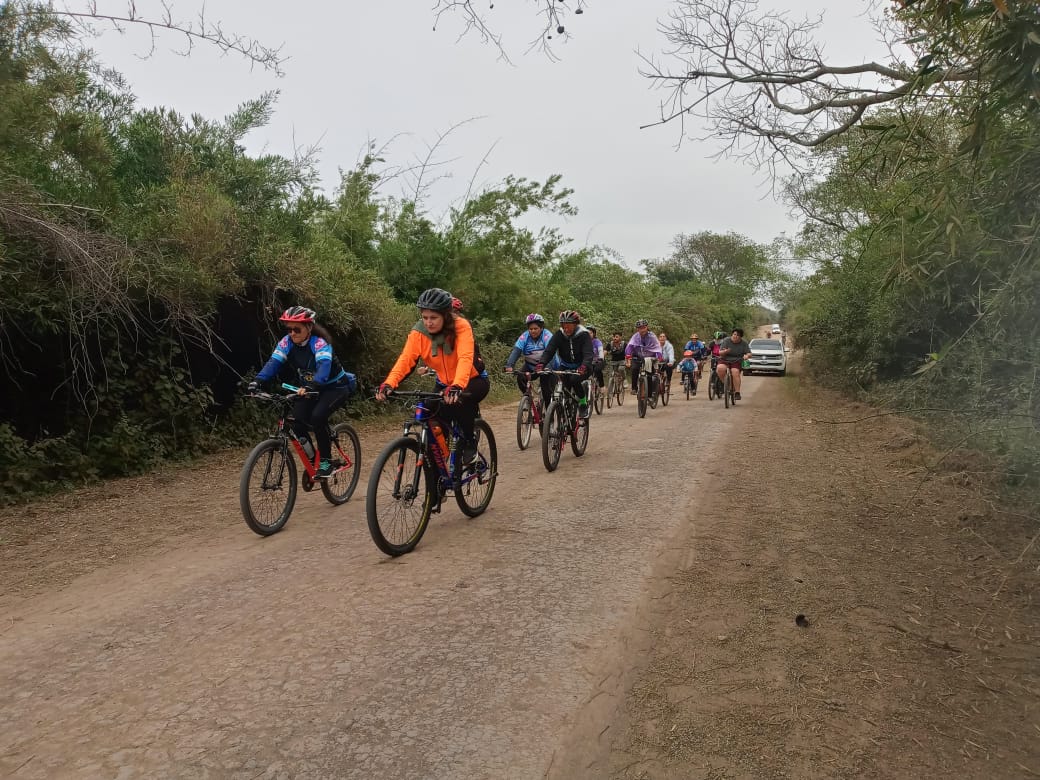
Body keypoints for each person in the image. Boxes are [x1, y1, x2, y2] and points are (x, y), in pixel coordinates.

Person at [376, 288, 490, 463]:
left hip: (473, 380)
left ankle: (469, 443)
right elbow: (406, 359)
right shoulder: (418, 333)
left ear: (445, 315)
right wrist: (389, 383)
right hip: (444, 383)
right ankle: (440, 461)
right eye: (425, 317)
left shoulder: (461, 326)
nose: (428, 323)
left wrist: (458, 385)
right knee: (428, 411)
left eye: (434, 318)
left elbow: (465, 358)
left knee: (459, 403)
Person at [249, 306, 356, 479]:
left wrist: (312, 386)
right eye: (289, 329)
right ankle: (314, 459)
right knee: (295, 421)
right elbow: (273, 363)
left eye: (296, 329)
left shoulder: (320, 343)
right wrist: (257, 381)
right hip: (309, 388)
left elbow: (323, 368)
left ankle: (326, 462)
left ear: (309, 327)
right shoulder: (287, 342)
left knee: (317, 417)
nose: (292, 333)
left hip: (334, 388)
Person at [535, 310, 595, 419]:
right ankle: (566, 408)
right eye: (563, 325)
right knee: (562, 384)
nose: (566, 328)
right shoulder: (559, 334)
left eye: (569, 325)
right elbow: (549, 350)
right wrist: (541, 363)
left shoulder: (584, 334)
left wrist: (584, 366)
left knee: (574, 380)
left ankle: (583, 403)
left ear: (575, 325)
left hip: (583, 366)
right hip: (565, 366)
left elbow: (588, 353)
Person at [504, 313, 554, 411]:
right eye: (530, 329)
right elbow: (516, 351)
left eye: (535, 328)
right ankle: (527, 398)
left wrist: (546, 366)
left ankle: (549, 418)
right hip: (531, 366)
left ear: (541, 328)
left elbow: (550, 352)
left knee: (546, 390)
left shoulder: (547, 335)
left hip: (547, 365)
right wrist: (510, 365)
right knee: (521, 377)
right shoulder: (525, 336)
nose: (533, 331)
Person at [624, 319, 663, 395]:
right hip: (638, 357)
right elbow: (630, 346)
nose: (642, 330)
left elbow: (657, 347)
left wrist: (659, 356)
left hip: (650, 358)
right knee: (634, 369)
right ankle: (634, 388)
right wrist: (628, 355)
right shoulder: (635, 337)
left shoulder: (652, 336)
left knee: (649, 375)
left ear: (647, 327)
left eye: (644, 327)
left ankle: (650, 395)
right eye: (640, 328)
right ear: (637, 329)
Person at [716, 327, 752, 401]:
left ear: (740, 337)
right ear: (732, 334)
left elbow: (749, 353)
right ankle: (727, 385)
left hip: (737, 360)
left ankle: (737, 392)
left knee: (735, 372)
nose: (735, 336)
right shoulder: (726, 340)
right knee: (720, 368)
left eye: (738, 335)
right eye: (734, 334)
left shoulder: (744, 343)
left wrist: (747, 355)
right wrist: (725, 351)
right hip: (725, 359)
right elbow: (720, 352)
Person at [587, 325, 606, 391]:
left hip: (599, 360)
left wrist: (600, 358)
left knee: (597, 370)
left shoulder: (597, 342)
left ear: (594, 334)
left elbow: (600, 350)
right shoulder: (584, 342)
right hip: (589, 361)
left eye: (590, 333)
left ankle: (602, 385)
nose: (589, 335)